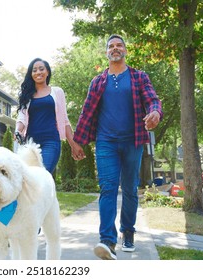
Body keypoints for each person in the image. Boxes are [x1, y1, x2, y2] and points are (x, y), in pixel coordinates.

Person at [72, 35, 163, 260]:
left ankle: (128, 231)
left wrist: (155, 112)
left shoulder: (139, 77)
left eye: (119, 45)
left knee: (130, 189)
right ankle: (107, 240)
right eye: (111, 46)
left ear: (125, 50)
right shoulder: (97, 82)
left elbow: (152, 99)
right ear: (106, 52)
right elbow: (86, 112)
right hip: (106, 142)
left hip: (133, 141)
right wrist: (77, 142)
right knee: (108, 188)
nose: (115, 49)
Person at [15, 58, 80, 174]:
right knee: (29, 178)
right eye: (34, 70)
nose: (38, 72)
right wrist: (18, 131)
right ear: (31, 74)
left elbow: (65, 120)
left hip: (51, 142)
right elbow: (21, 118)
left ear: (47, 72)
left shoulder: (57, 92)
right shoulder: (27, 95)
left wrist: (73, 144)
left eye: (41, 69)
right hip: (30, 143)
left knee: (43, 174)